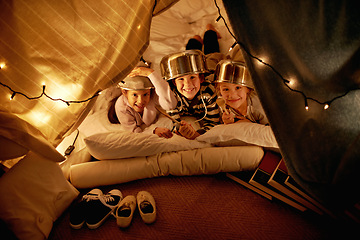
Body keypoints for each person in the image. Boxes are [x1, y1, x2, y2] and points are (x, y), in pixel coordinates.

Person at [159, 25, 225, 140]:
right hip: (196, 67)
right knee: (187, 57)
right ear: (174, 83)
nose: (188, 84)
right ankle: (195, 40)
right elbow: (174, 121)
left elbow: (213, 122)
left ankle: (210, 32)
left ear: (201, 79)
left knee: (212, 53)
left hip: (210, 69)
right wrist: (180, 129)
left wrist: (197, 134)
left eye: (192, 78)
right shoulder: (172, 97)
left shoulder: (208, 92)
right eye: (181, 79)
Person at [110, 66, 177, 138]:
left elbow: (170, 105)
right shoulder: (121, 106)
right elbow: (134, 132)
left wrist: (151, 73)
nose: (140, 101)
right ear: (124, 92)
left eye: (145, 94)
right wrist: (153, 131)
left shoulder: (153, 95)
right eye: (135, 95)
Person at [214, 59, 269, 125]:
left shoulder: (259, 107)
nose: (232, 95)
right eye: (226, 89)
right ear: (220, 91)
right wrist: (227, 122)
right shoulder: (224, 107)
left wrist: (250, 124)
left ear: (248, 89)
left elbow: (270, 131)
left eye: (238, 88)